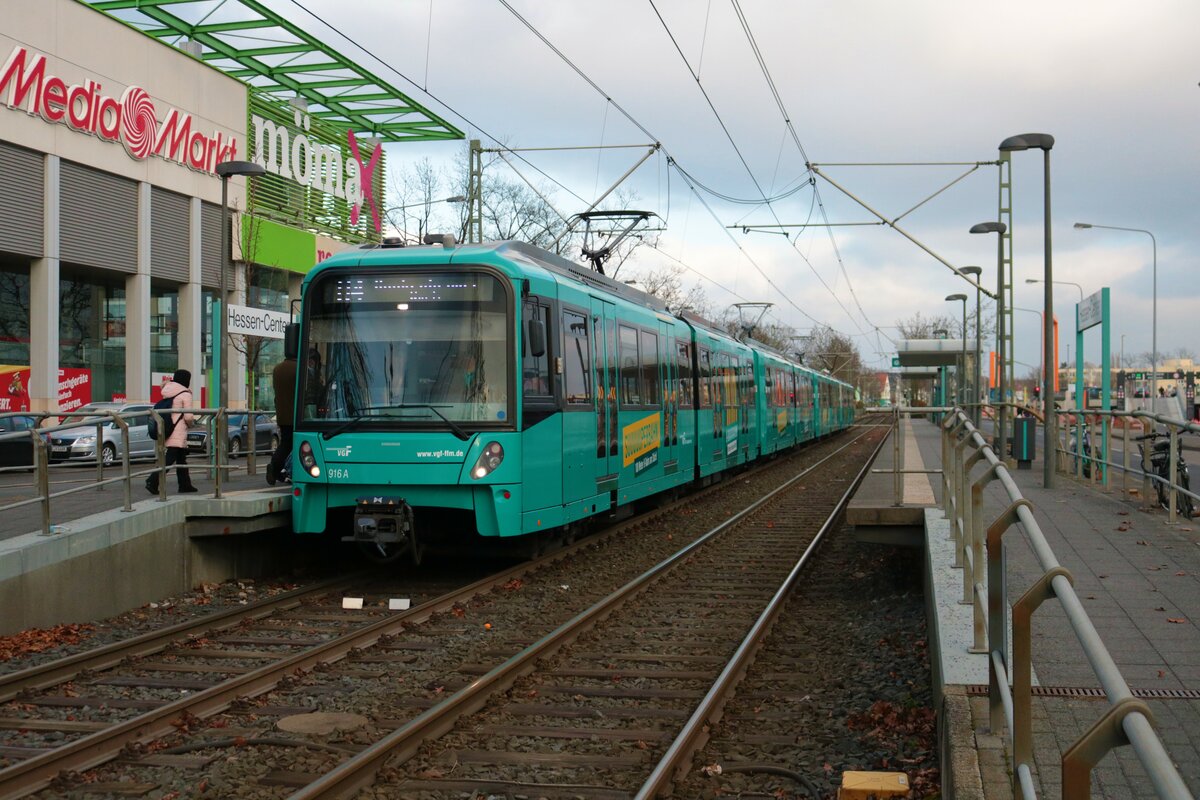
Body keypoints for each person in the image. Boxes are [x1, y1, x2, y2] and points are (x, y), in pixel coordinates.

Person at [146, 369, 196, 494]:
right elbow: (188, 417)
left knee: (181, 458)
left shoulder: (168, 391)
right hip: (178, 431)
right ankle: (152, 480)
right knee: (170, 459)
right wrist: (191, 424)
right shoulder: (186, 394)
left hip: (168, 428)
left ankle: (185, 485)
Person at [268, 355, 296, 485]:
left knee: (286, 443)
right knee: (290, 445)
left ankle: (278, 470)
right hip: (296, 415)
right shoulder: (299, 368)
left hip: (282, 414)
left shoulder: (277, 369)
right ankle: (275, 468)